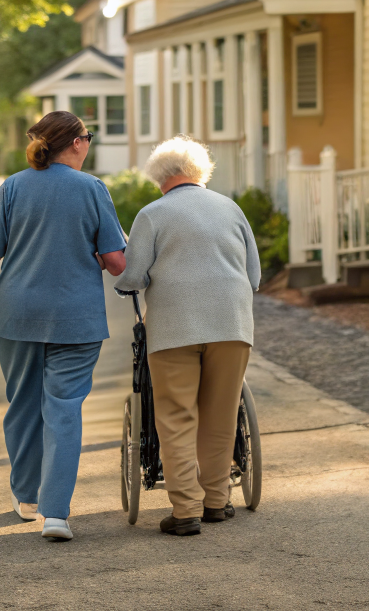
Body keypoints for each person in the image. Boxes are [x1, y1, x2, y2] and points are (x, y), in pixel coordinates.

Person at [0, 110, 126, 542]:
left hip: (17, 317)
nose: (88, 144)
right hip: (78, 320)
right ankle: (56, 514)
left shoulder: (13, 187)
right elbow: (115, 263)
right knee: (65, 409)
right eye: (87, 137)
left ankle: (26, 497)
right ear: (75, 143)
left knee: (22, 405)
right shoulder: (93, 190)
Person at [114, 136, 261, 536]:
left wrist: (125, 283)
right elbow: (254, 275)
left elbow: (132, 275)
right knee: (221, 414)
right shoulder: (230, 208)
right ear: (201, 171)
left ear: (158, 177)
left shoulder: (152, 214)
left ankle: (186, 511)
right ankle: (217, 501)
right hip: (231, 324)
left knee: (177, 416)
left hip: (175, 327)